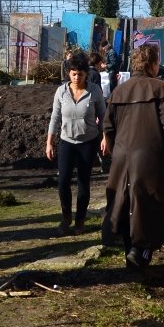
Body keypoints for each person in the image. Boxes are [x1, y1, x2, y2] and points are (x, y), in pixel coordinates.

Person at [101, 43, 164, 269]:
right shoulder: (163, 90)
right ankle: (141, 251)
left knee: (125, 201)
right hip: (152, 156)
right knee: (151, 203)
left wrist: (116, 151)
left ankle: (131, 251)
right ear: (154, 64)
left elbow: (108, 127)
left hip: (122, 156)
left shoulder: (119, 92)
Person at [46, 50, 108, 235]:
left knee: (83, 182)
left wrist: (105, 137)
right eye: (73, 74)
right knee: (63, 181)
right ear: (69, 73)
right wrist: (49, 142)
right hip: (66, 141)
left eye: (80, 74)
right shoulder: (61, 91)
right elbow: (55, 117)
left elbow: (103, 116)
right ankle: (66, 218)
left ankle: (80, 220)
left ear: (86, 74)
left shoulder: (94, 91)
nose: (76, 78)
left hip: (88, 142)